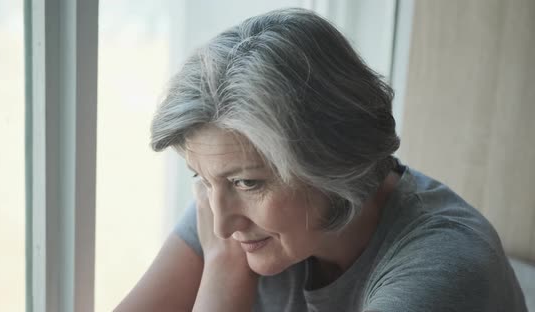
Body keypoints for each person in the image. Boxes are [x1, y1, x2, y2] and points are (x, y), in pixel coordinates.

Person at [115, 8, 527, 312]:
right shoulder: (235, 201)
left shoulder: (443, 272)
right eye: (201, 177)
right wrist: (223, 261)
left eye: (247, 183)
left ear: (331, 160)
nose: (221, 225)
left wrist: (222, 277)